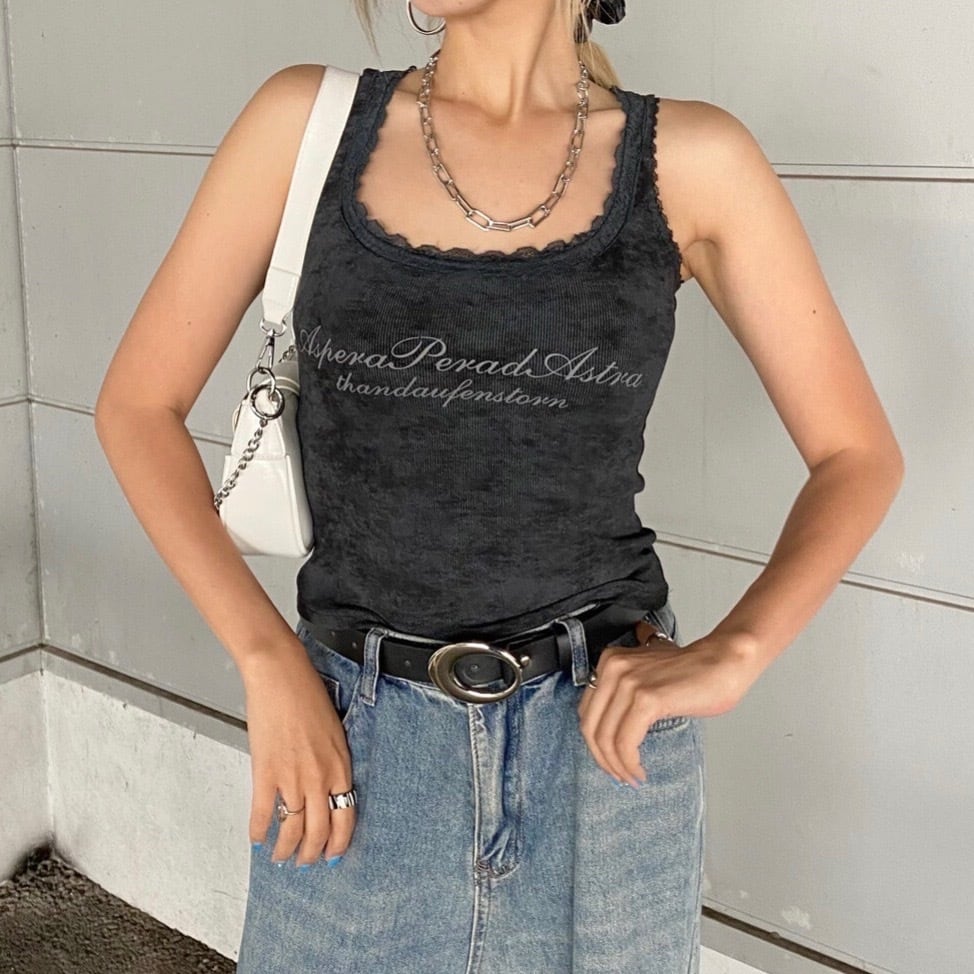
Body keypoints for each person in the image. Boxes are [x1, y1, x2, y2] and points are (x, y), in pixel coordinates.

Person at [94, 1, 904, 971]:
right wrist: (266, 660)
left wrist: (737, 652)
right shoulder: (308, 126)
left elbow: (856, 453)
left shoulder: (690, 161)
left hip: (601, 754)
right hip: (351, 738)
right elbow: (137, 406)